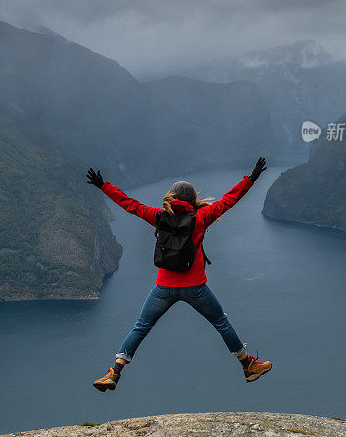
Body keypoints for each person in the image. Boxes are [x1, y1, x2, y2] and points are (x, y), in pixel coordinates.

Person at [86, 157, 272, 391]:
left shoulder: (158, 217)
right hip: (196, 288)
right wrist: (252, 177)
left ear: (171, 198)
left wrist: (103, 185)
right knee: (221, 323)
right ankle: (248, 366)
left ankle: (115, 371)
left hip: (163, 287)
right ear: (193, 199)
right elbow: (229, 200)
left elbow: (129, 204)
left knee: (141, 326)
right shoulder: (201, 218)